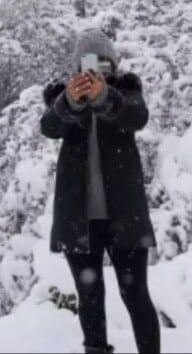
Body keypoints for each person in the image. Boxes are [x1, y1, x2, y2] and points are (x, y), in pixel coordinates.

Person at [41, 28, 159, 354]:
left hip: (125, 215)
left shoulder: (127, 90)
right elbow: (49, 126)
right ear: (76, 67)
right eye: (89, 64)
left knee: (135, 294)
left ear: (115, 64)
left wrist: (106, 97)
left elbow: (138, 117)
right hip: (79, 219)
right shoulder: (61, 96)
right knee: (90, 298)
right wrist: (71, 102)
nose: (96, 71)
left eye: (104, 63)